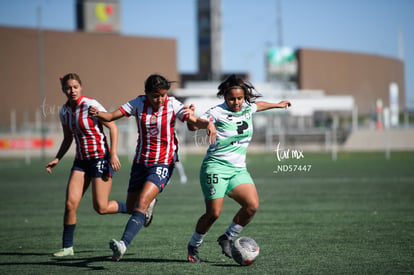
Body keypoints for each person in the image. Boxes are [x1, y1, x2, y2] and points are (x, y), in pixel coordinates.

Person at [88, 73, 216, 261]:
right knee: (132, 207)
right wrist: (98, 113)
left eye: (163, 95)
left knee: (141, 203)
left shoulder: (173, 104)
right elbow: (112, 115)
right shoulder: (137, 103)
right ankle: (149, 206)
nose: (160, 99)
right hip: (140, 162)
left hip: (163, 161)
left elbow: (193, 121)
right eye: (156, 96)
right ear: (146, 93)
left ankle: (122, 245)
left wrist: (208, 124)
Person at [186, 74, 291, 263]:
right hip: (215, 167)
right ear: (225, 97)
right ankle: (194, 245)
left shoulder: (247, 108)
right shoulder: (216, 112)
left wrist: (278, 104)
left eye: (240, 98)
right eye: (232, 99)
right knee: (213, 214)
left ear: (244, 97)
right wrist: (200, 122)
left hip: (237, 170)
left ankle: (226, 237)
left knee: (252, 206)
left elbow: (259, 105)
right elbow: (194, 126)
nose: (236, 102)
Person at [46, 73, 127, 257]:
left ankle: (138, 208)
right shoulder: (64, 111)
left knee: (101, 208)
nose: (71, 90)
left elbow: (113, 127)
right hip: (81, 162)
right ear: (63, 90)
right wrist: (57, 158)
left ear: (80, 87)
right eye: (68, 88)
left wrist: (113, 154)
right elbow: (68, 138)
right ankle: (68, 247)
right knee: (70, 204)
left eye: (75, 87)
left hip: (100, 159)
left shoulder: (91, 105)